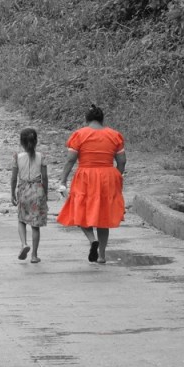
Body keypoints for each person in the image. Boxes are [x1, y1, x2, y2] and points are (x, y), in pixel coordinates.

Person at [57, 104, 126, 264]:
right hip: (108, 176)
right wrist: (117, 176)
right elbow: (122, 161)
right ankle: (101, 256)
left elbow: (70, 160)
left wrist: (63, 180)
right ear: (102, 119)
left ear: (86, 119)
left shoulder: (79, 135)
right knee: (104, 216)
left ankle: (91, 240)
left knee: (79, 210)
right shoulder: (115, 135)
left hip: (85, 176)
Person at [10, 127, 48, 264]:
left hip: (23, 190)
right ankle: (34, 255)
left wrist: (12, 193)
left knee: (21, 219)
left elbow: (14, 178)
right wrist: (46, 193)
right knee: (35, 225)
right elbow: (45, 177)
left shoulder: (17, 157)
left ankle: (24, 243)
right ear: (36, 141)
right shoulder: (41, 156)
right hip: (37, 190)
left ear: (21, 142)